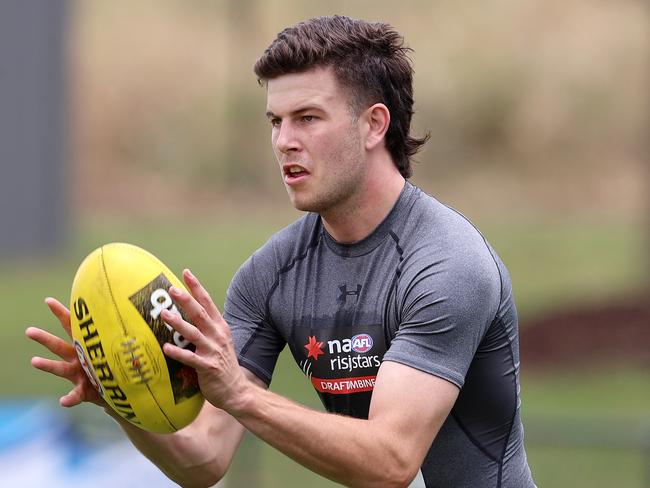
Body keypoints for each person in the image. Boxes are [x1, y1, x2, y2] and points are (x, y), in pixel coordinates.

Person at [27, 15, 536, 488]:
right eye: (276, 121)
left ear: (374, 125)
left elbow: (391, 461)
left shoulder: (447, 265)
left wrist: (242, 395)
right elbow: (204, 456)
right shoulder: (269, 276)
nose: (284, 142)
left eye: (308, 118)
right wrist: (124, 399)